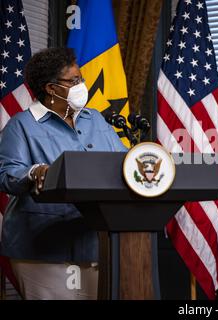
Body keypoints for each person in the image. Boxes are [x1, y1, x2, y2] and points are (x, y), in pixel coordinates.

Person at [0, 48, 127, 300]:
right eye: (74, 80)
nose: (82, 85)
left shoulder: (97, 121)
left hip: (96, 242)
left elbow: (123, 163)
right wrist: (34, 172)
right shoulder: (21, 125)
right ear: (51, 88)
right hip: (41, 247)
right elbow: (6, 174)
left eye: (81, 79)